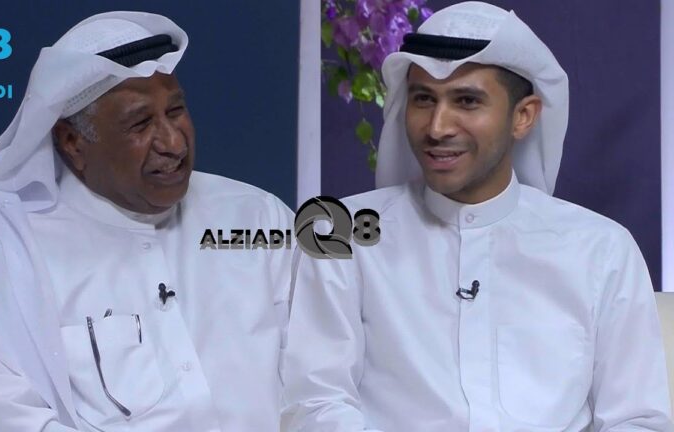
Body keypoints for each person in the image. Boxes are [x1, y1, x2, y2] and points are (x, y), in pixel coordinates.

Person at [281, 2, 673, 431]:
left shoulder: (601, 249)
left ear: (523, 116)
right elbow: (316, 404)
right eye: (423, 99)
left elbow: (637, 420)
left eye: (466, 101)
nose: (437, 127)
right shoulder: (343, 236)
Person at [0, 11, 293, 431]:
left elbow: (324, 375)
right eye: (141, 124)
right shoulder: (1, 254)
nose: (173, 142)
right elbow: (10, 419)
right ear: (73, 142)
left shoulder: (257, 217)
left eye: (176, 111)